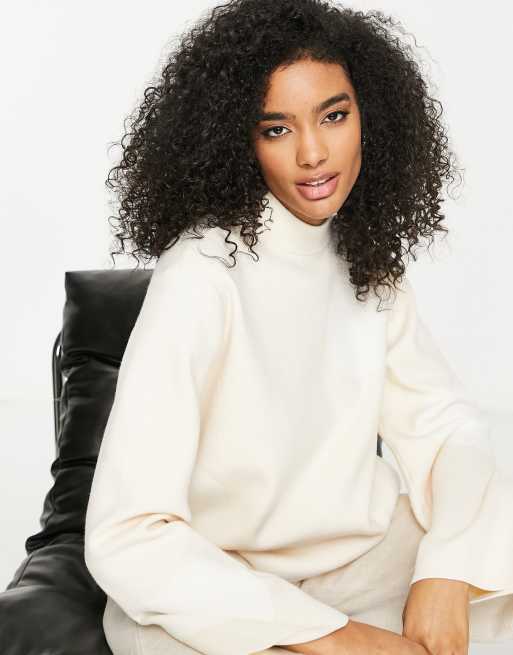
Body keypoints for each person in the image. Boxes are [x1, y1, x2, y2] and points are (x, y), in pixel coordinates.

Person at [84, 1, 513, 654]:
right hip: (220, 586)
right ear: (240, 140)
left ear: (370, 114)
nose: (313, 154)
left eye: (333, 116)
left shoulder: (365, 257)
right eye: (276, 129)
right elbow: (127, 534)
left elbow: (447, 428)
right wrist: (342, 640)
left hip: (362, 563)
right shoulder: (201, 275)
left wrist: (447, 569)